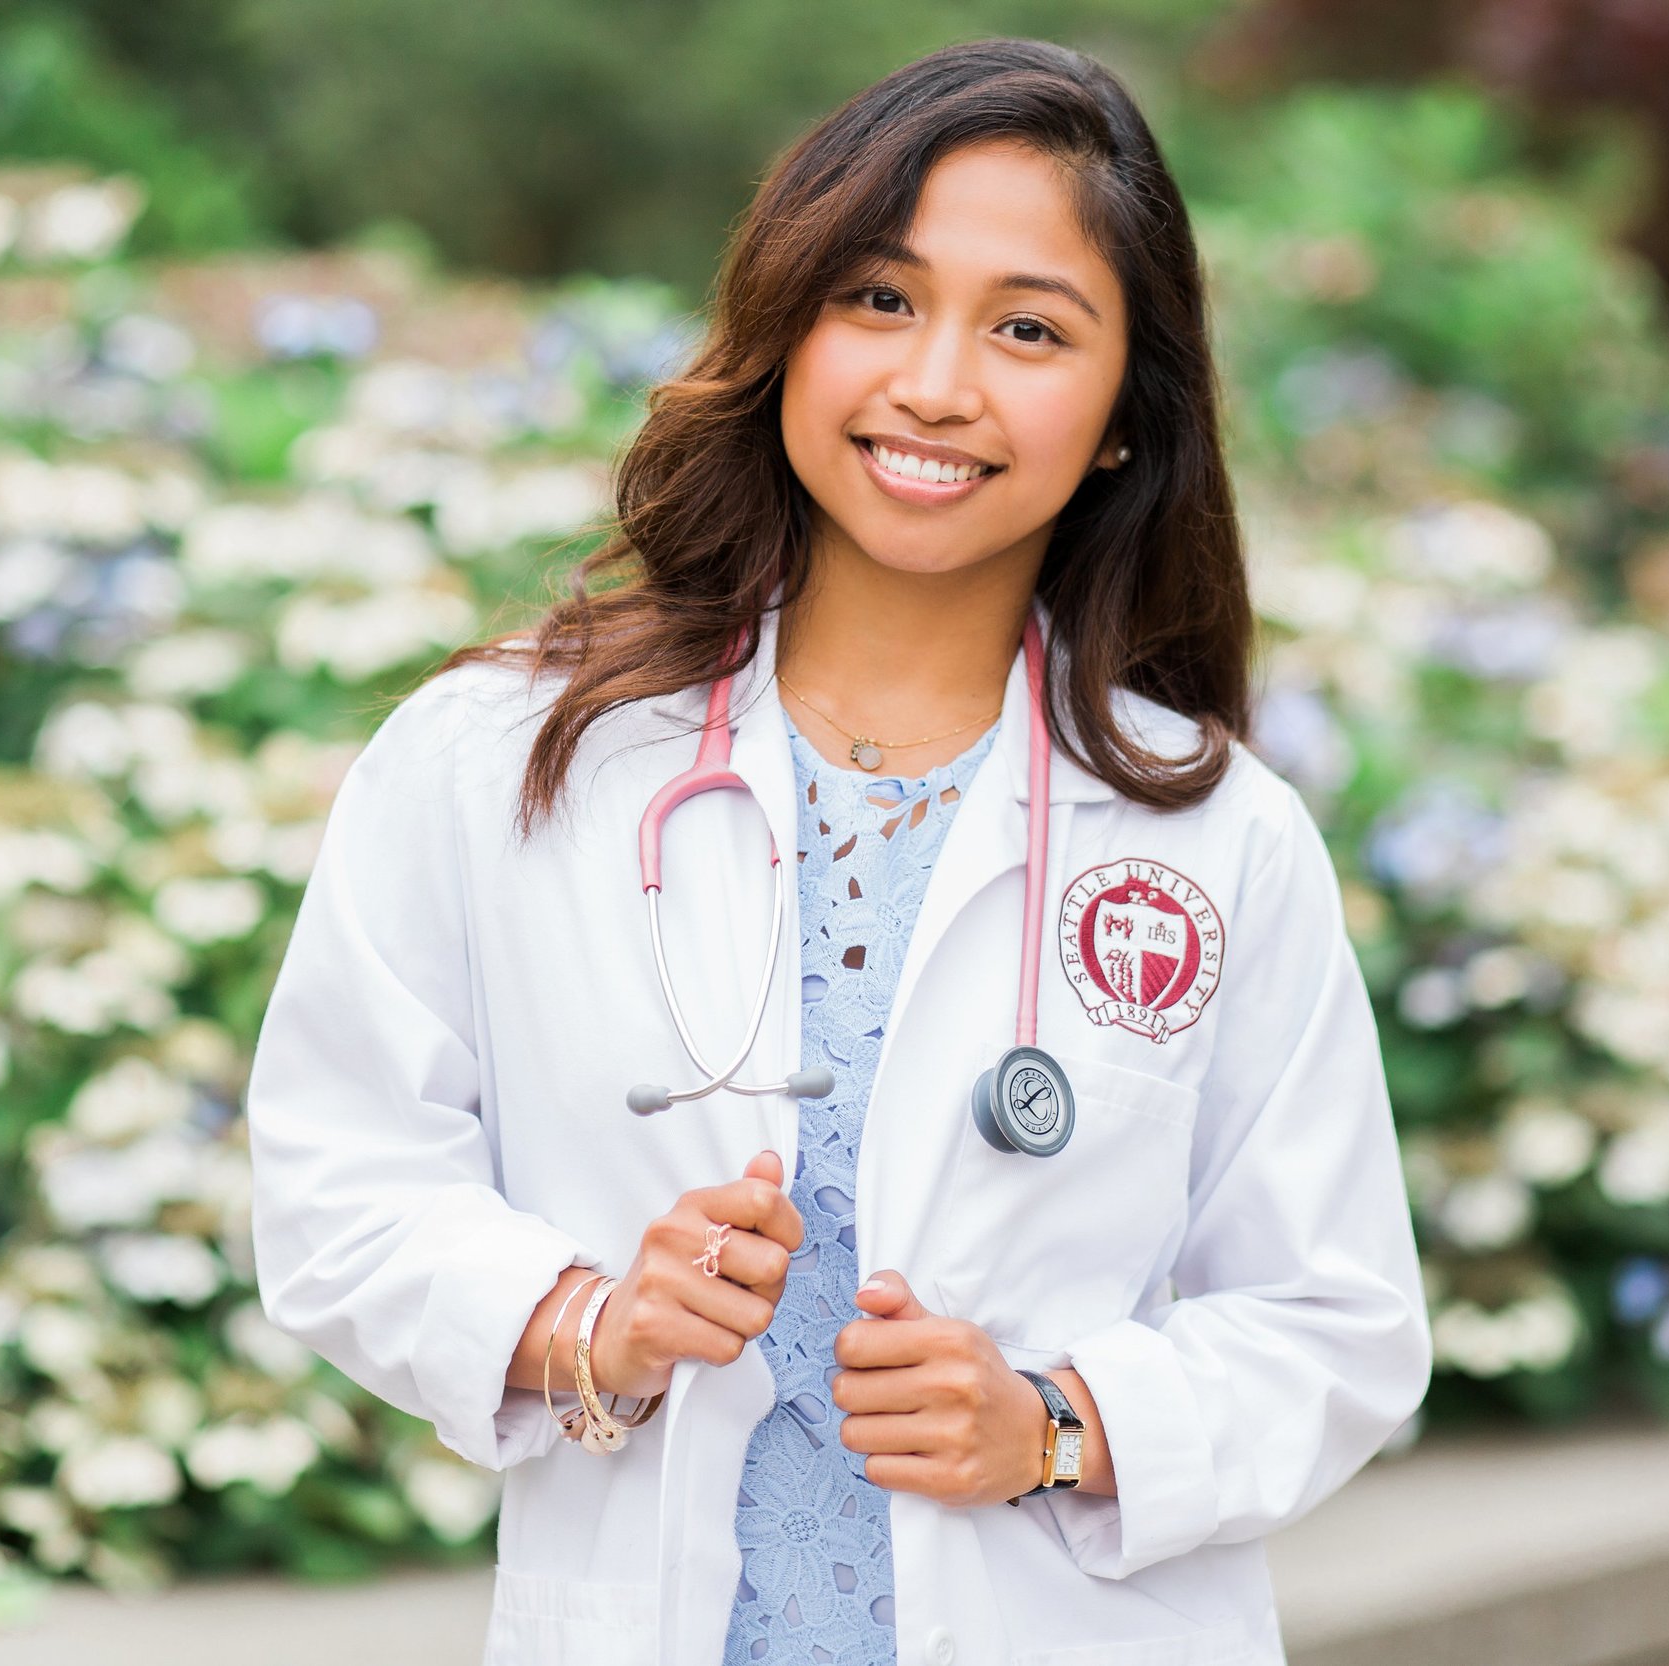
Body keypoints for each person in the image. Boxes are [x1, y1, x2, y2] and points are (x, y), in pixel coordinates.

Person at [247, 36, 1431, 1666]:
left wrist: (1061, 1427)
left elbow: (1338, 1320)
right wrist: (591, 1319)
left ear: (1117, 424)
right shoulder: (501, 759)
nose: (938, 382)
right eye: (881, 299)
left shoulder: (1214, 834)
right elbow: (340, 1180)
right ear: (786, 329)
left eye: (1028, 328)